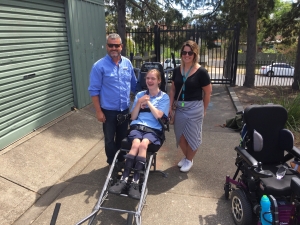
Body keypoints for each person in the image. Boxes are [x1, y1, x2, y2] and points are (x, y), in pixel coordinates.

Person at [108, 69, 170, 199]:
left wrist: (147, 102)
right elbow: (133, 116)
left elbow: (159, 115)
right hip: (137, 126)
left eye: (153, 78)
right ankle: (124, 179)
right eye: (147, 78)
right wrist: (138, 102)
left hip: (153, 129)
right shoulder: (140, 94)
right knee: (136, 143)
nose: (150, 81)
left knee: (143, 145)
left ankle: (135, 182)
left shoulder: (164, 97)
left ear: (159, 81)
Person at [88, 33, 137, 166]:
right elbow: (94, 90)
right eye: (111, 45)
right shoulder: (99, 66)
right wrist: (98, 111)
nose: (114, 48)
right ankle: (112, 162)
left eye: (116, 45)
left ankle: (121, 159)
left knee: (122, 138)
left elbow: (134, 85)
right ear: (106, 46)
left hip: (124, 109)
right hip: (108, 111)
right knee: (109, 139)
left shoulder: (127, 63)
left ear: (121, 46)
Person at [169, 40, 212, 172]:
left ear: (195, 54)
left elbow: (208, 92)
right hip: (180, 108)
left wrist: (203, 109)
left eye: (190, 53)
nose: (186, 55)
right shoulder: (177, 70)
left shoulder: (201, 72)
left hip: (195, 108)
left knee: (193, 136)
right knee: (180, 136)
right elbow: (173, 90)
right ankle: (188, 157)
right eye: (184, 52)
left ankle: (189, 160)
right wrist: (170, 108)